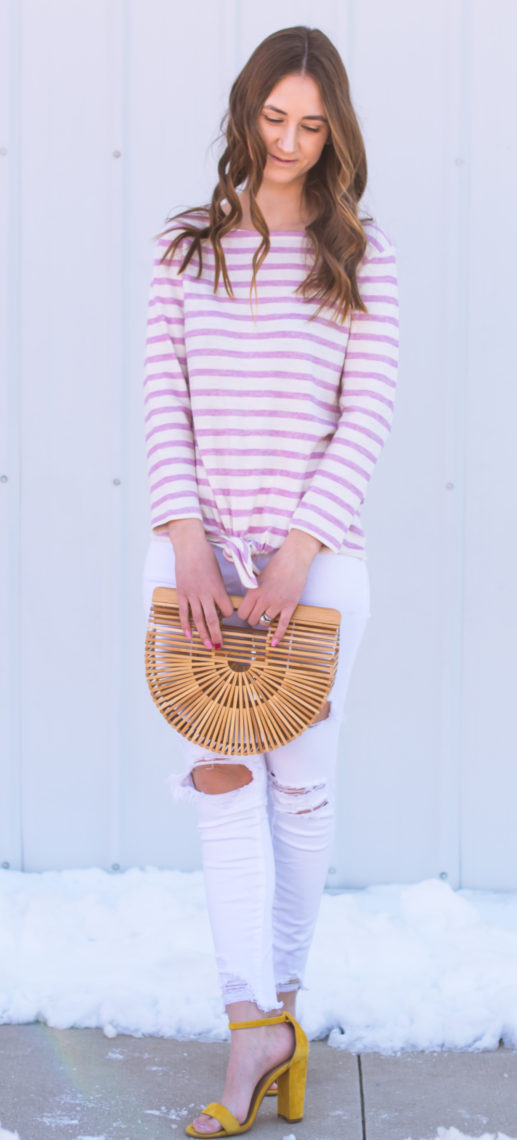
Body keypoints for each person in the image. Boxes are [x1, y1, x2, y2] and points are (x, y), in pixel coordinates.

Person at [142, 24, 399, 1138]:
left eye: (310, 124)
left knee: (300, 800)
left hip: (319, 561)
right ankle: (251, 1023)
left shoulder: (362, 257)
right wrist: (187, 540)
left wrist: (296, 553)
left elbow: (365, 418)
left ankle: (277, 1019)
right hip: (195, 559)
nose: (288, 141)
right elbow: (164, 406)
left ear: (333, 130)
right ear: (246, 110)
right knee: (220, 793)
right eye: (271, 116)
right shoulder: (185, 249)